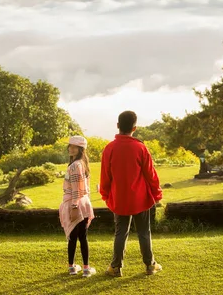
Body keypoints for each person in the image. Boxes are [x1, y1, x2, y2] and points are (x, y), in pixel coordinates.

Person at [100, 110, 163, 277]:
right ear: (134, 128)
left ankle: (115, 267)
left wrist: (106, 195)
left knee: (121, 233)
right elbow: (151, 174)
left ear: (118, 126)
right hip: (141, 199)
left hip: (119, 199)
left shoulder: (109, 149)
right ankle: (150, 265)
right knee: (144, 232)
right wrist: (157, 194)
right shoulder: (140, 148)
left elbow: (105, 176)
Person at [59, 135, 96, 278]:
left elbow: (76, 188)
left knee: (75, 237)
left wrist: (74, 207)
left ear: (81, 149)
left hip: (76, 203)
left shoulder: (75, 165)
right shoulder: (82, 164)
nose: (70, 148)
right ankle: (83, 268)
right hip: (83, 202)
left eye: (74, 147)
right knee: (81, 237)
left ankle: (74, 268)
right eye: (70, 146)